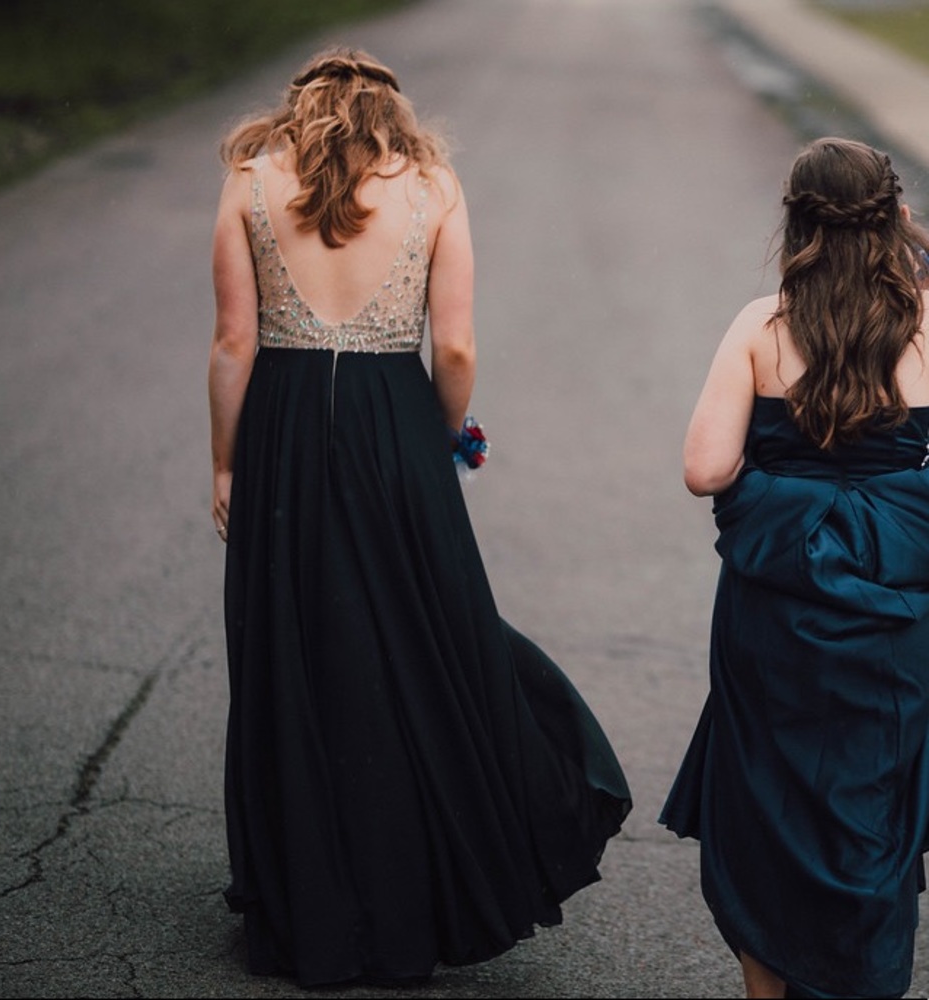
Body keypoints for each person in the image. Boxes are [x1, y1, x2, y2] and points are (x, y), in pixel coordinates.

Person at [206, 45, 632, 989]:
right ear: (392, 113)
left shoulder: (250, 180)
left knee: (295, 651)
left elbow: (235, 340)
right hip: (395, 421)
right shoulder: (434, 187)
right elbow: (457, 341)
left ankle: (303, 900)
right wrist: (444, 433)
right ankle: (414, 892)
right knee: (417, 640)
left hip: (279, 424)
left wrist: (226, 461)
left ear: (300, 106)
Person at [660, 135, 929, 999]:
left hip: (773, 607)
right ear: (892, 215)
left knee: (768, 798)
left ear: (797, 217)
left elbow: (705, 469)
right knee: (874, 802)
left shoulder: (762, 322)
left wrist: (795, 494)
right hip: (896, 608)